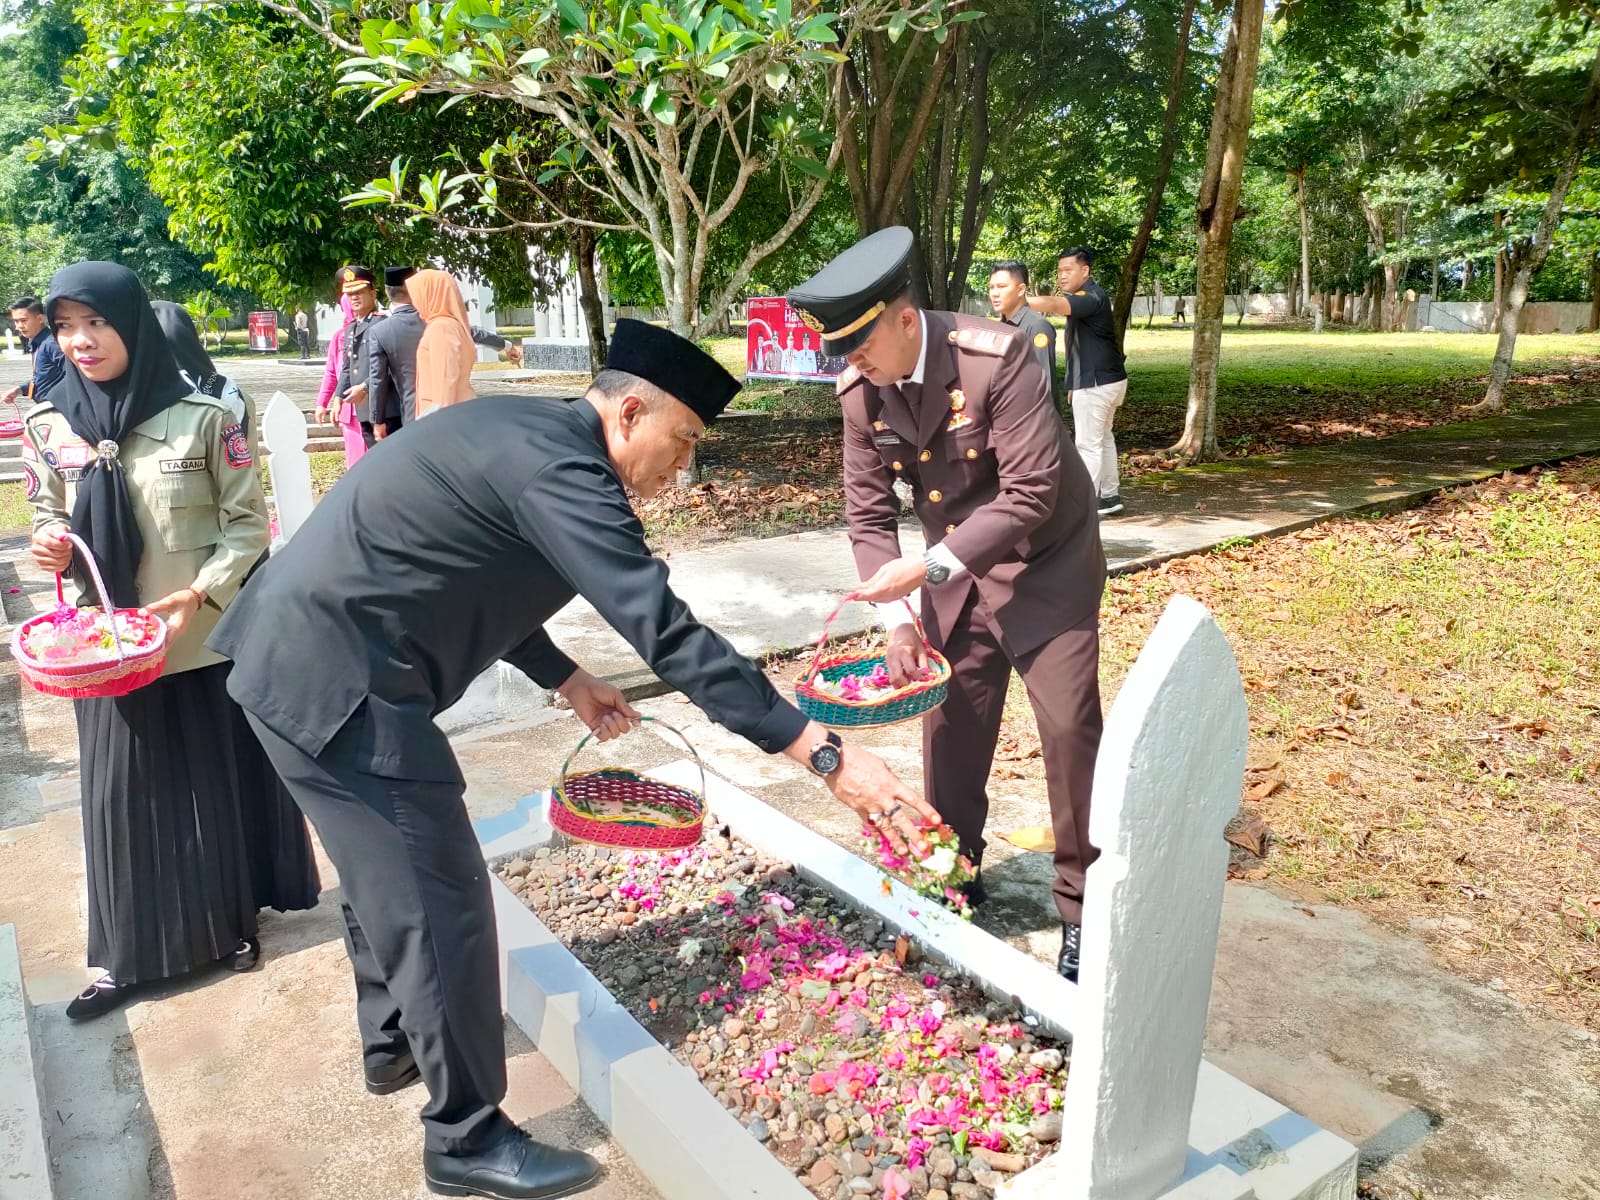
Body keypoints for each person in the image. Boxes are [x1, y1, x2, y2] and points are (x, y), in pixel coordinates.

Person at [206, 318, 934, 1200]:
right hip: (341, 685)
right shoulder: (565, 469)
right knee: (441, 900)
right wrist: (818, 751)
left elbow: (475, 562)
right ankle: (464, 1137)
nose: (681, 468)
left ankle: (393, 1043)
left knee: (383, 876)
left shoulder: (524, 434)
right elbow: (666, 631)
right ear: (631, 412)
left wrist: (567, 677)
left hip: (296, 660)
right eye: (683, 441)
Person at [788, 227, 1106, 983]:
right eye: (845, 355)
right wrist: (898, 623)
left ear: (905, 320)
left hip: (1044, 564)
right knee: (951, 730)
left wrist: (925, 567)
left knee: (1067, 729)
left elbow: (1029, 492)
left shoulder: (999, 358)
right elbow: (868, 518)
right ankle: (953, 872)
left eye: (862, 347)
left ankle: (1083, 910)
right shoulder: (860, 391)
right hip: (950, 575)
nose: (854, 366)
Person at [21, 262, 320, 1023]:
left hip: (196, 643)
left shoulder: (202, 418)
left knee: (205, 790)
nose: (80, 342)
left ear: (131, 323)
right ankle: (128, 959)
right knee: (122, 798)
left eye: (96, 322)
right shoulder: (50, 425)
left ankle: (229, 929)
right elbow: (46, 515)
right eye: (64, 327)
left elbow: (247, 526)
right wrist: (51, 543)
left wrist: (199, 594)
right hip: (104, 646)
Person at [1026, 247, 1129, 517]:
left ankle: (1083, 506)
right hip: (1108, 381)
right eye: (1059, 271)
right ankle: (1109, 495)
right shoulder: (1091, 297)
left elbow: (1055, 305)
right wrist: (1073, 383)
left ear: (1085, 271)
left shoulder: (1089, 296)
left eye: (1068, 270)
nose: (1062, 276)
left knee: (1088, 444)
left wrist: (1018, 300)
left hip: (1097, 385)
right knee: (1104, 439)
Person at [987, 260, 1062, 416]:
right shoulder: (1002, 327)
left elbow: (1043, 384)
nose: (994, 293)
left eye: (1001, 287)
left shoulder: (1037, 326)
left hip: (1033, 423)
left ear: (1021, 290)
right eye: (991, 287)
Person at [410, 269, 477, 417]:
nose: (415, 302)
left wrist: (431, 425)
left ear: (431, 294)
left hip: (445, 418)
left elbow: (445, 384)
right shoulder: (453, 325)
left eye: (418, 294)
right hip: (459, 411)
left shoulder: (441, 328)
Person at [367, 266, 425, 432]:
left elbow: (378, 379)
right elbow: (471, 330)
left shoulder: (380, 331)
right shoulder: (435, 320)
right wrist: (505, 345)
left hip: (412, 411)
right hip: (448, 407)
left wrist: (377, 420)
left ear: (386, 292)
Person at [332, 265, 385, 445]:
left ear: (373, 293)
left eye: (360, 292)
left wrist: (364, 387)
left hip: (385, 409)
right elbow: (347, 367)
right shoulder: (350, 329)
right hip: (363, 409)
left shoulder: (383, 324)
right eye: (349, 294)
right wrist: (338, 398)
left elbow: (391, 367)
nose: (354, 297)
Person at [315, 294, 367, 468]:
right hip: (349, 410)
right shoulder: (339, 337)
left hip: (374, 406)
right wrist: (322, 403)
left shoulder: (376, 329)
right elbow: (332, 372)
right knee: (356, 463)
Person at [4, 296, 66, 406]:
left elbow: (76, 378)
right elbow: (44, 378)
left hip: (58, 411)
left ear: (40, 319)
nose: (19, 326)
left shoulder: (51, 344)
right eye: (16, 321)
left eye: (23, 320)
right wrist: (19, 389)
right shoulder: (38, 343)